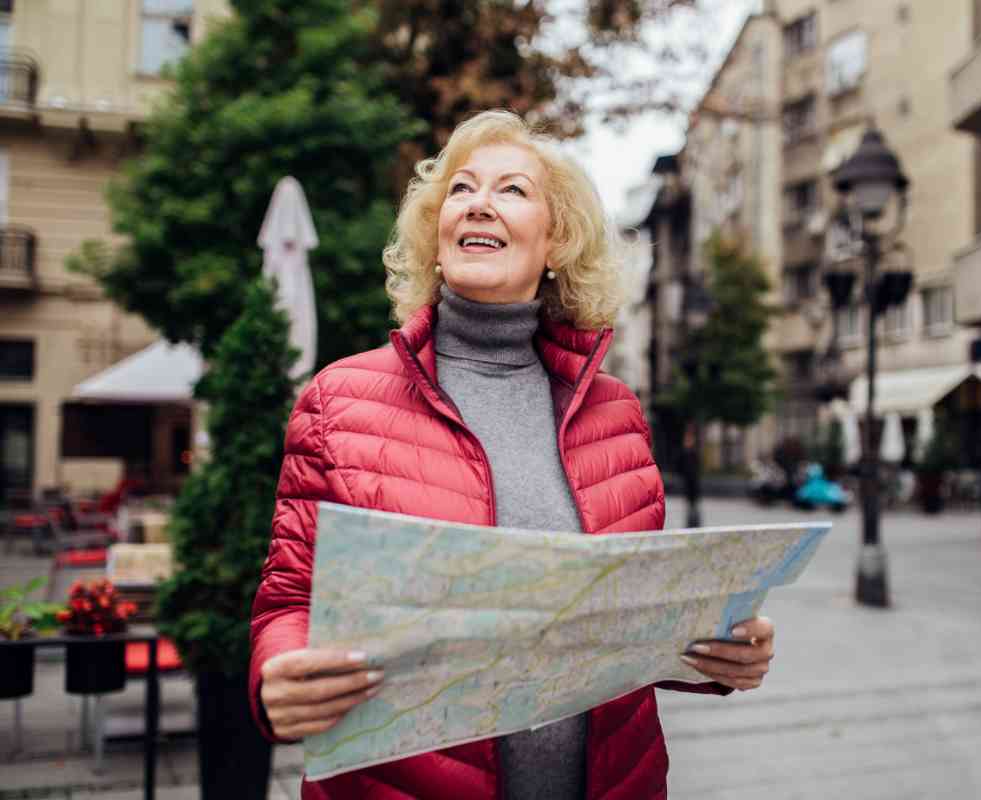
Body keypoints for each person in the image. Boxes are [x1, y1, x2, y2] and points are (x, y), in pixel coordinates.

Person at [247, 110, 778, 800]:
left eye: (512, 191)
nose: (478, 203)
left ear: (555, 243)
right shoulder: (339, 400)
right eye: (461, 189)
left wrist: (716, 651)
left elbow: (627, 621)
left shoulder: (615, 412)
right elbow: (290, 598)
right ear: (436, 241)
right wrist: (277, 673)